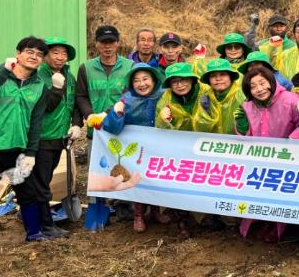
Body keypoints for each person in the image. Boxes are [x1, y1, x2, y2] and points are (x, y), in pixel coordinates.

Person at [0, 37, 50, 250]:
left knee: (27, 194)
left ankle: (33, 233)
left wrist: (31, 153)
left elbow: (35, 123)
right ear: (18, 53)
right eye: (29, 51)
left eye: (39, 54)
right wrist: (4, 72)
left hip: (18, 151)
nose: (34, 56)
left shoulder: (39, 87)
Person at [234, 64, 299, 242]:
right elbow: (245, 138)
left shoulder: (290, 100)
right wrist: (241, 127)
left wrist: (291, 142)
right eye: (253, 86)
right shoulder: (248, 106)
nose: (259, 89)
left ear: (271, 82)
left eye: (262, 83)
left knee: (282, 194)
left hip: (287, 158)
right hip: (259, 160)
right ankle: (261, 221)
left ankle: (280, 226)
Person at [28, 36, 83, 238]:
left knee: (45, 179)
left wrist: (77, 124)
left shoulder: (69, 75)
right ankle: (46, 226)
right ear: (45, 55)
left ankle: (33, 215)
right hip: (41, 137)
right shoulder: (38, 77)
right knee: (41, 183)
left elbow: (75, 103)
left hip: (59, 138)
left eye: (64, 53)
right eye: (55, 52)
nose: (60, 58)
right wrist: (56, 88)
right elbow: (46, 107)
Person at [101, 63, 164, 232]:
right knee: (138, 179)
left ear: (154, 80)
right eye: (136, 80)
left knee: (156, 177)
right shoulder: (126, 100)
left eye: (145, 79)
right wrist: (117, 113)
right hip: (138, 149)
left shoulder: (164, 96)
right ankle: (138, 214)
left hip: (159, 147)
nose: (141, 84)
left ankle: (156, 211)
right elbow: (112, 127)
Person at [155, 63, 209, 237]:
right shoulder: (166, 99)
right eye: (175, 81)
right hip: (179, 149)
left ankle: (207, 216)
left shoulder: (205, 93)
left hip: (204, 146)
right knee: (179, 181)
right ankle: (182, 219)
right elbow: (160, 127)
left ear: (192, 80)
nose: (180, 85)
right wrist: (164, 120)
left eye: (184, 80)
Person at [75, 25, 135, 130]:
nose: (108, 46)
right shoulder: (85, 68)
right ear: (96, 44)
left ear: (118, 43)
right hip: (96, 129)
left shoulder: (130, 66)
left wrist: (106, 114)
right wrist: (89, 115)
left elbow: (130, 96)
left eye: (111, 42)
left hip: (123, 129)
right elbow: (81, 96)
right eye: (103, 42)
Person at [194, 59, 244, 134]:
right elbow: (199, 128)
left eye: (223, 74)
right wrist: (207, 115)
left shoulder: (242, 97)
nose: (218, 79)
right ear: (209, 80)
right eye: (213, 76)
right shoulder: (205, 98)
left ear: (230, 77)